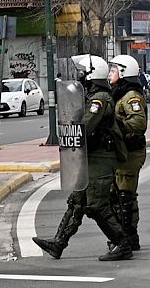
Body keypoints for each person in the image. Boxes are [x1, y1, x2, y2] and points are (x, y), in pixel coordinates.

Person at [32, 55, 133, 261]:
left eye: (82, 73)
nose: (80, 76)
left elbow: (86, 127)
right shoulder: (91, 95)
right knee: (76, 202)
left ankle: (122, 243)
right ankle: (58, 243)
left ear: (92, 74)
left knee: (97, 205)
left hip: (100, 159)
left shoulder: (100, 99)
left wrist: (70, 129)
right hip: (89, 158)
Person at [108, 54, 148, 253]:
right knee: (116, 195)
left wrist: (115, 126)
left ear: (124, 72)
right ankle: (125, 236)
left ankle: (129, 236)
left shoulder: (131, 96)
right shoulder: (118, 94)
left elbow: (139, 123)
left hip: (132, 152)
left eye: (113, 70)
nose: (110, 74)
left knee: (126, 197)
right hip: (122, 152)